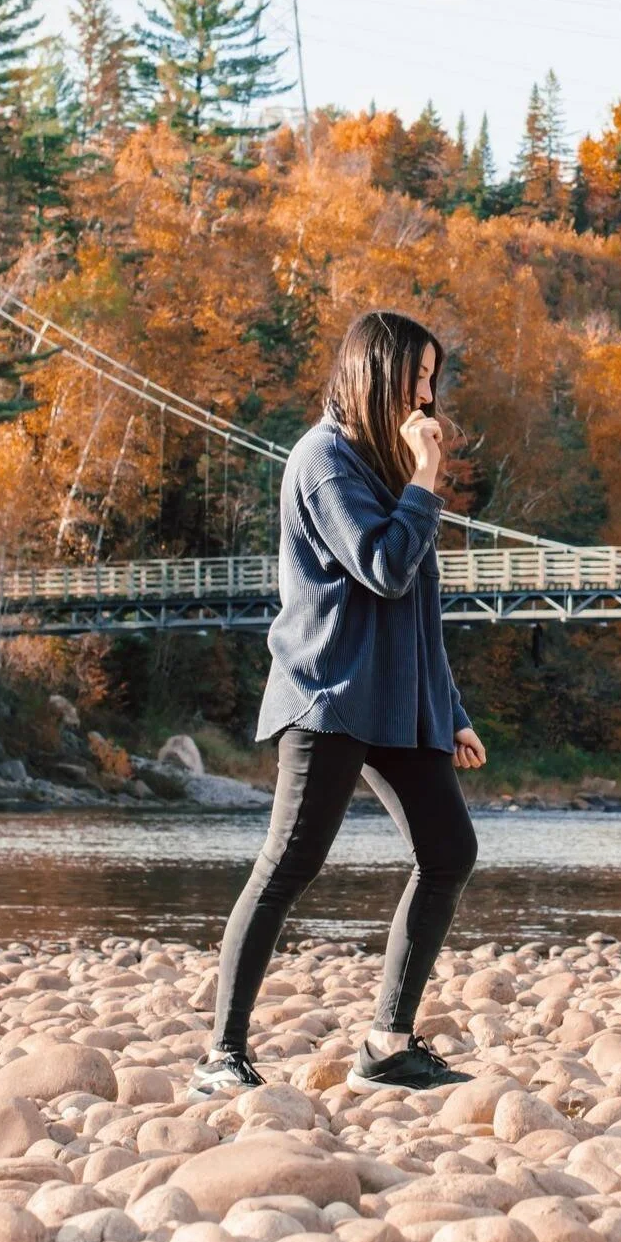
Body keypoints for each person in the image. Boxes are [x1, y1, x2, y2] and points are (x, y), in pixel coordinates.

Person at [189, 309, 487, 1099]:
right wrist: (425, 481)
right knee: (290, 862)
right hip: (326, 695)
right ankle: (220, 1054)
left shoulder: (390, 467)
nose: (427, 394)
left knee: (450, 850)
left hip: (400, 702)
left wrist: (449, 706)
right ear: (377, 373)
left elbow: (416, 605)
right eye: (417, 376)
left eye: (433, 378)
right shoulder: (322, 462)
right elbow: (383, 569)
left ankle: (387, 1044)